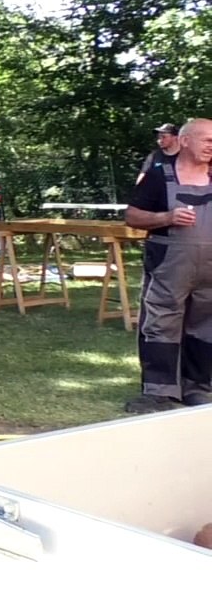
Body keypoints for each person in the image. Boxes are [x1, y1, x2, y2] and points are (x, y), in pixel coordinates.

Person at [123, 117, 212, 413]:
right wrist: (167, 218)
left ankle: (198, 389)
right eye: (205, 139)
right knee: (161, 323)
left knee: (205, 327)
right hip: (169, 266)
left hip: (210, 272)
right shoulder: (159, 176)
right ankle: (159, 393)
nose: (211, 145)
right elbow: (133, 217)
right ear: (185, 141)